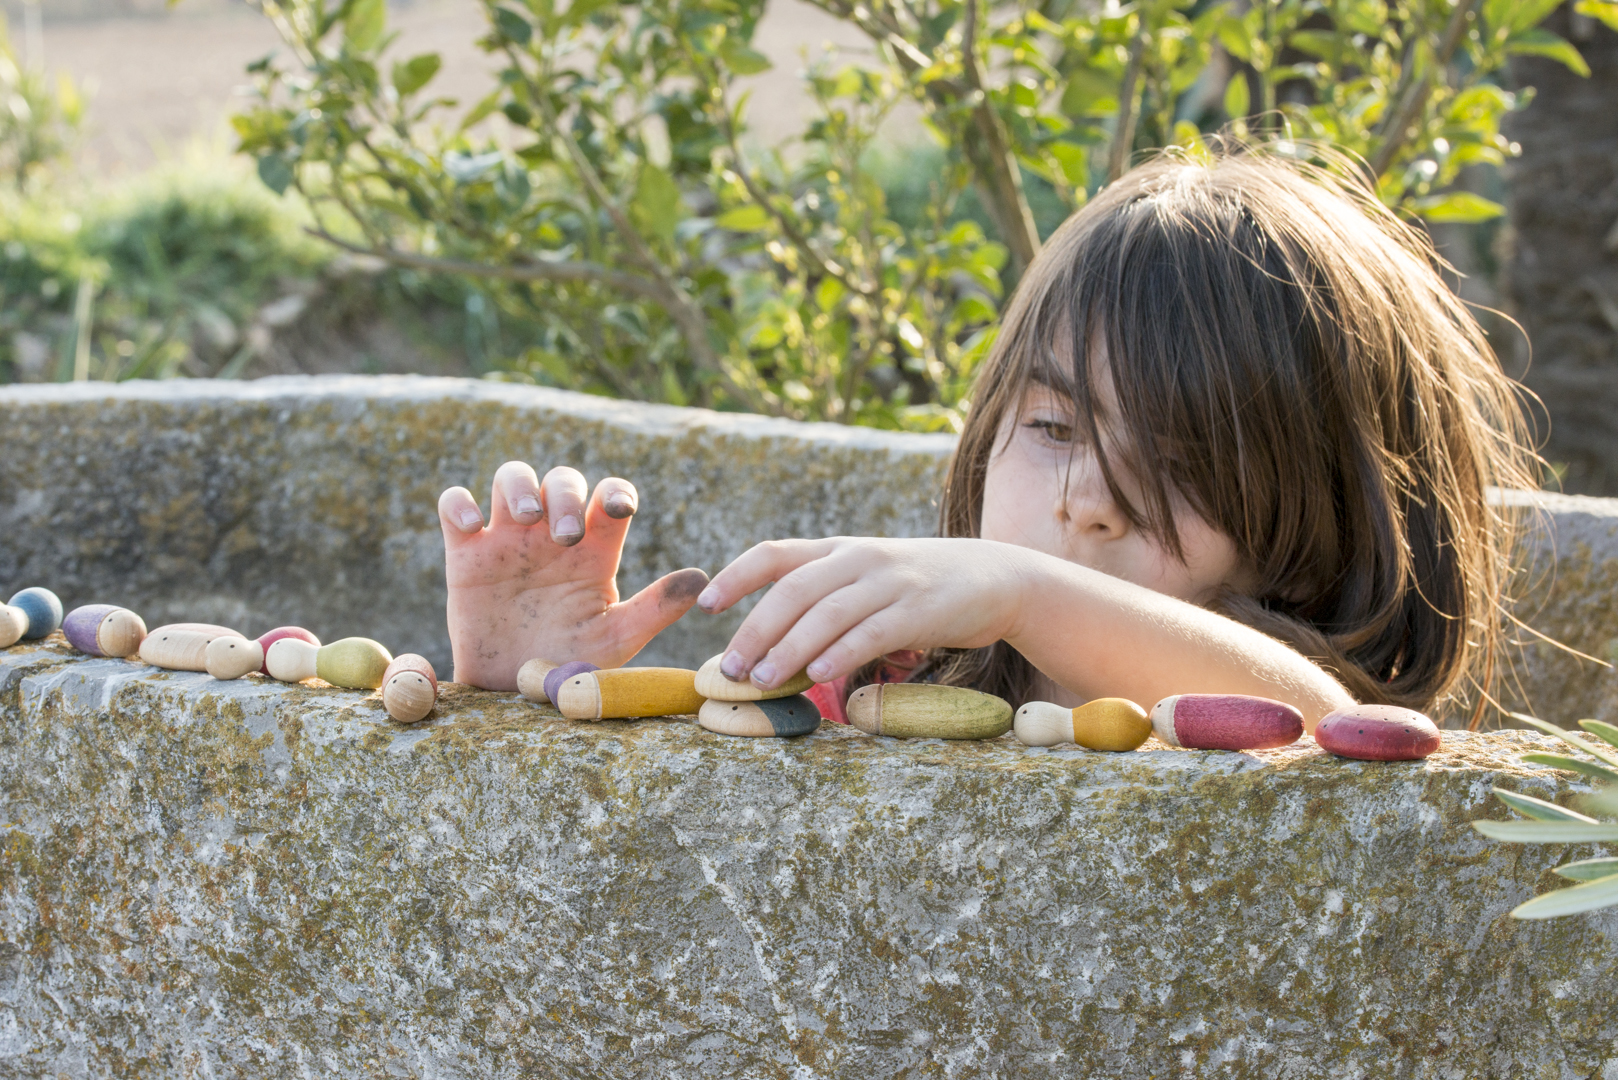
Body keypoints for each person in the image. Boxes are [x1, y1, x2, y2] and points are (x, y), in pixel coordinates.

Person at [436, 144, 1538, 730]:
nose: (1090, 500)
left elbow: (1315, 724)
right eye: (1053, 426)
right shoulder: (884, 687)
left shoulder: (1298, 706)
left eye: (1189, 461)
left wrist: (1024, 588)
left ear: (1325, 512)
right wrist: (521, 689)